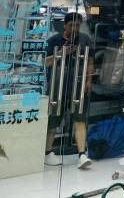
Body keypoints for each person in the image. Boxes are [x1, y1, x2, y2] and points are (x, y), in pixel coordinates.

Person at [44, 12, 94, 169]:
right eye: (71, 25)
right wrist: (60, 54)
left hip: (77, 86)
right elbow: (45, 62)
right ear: (65, 25)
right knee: (54, 120)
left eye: (77, 25)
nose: (74, 28)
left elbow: (90, 61)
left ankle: (82, 154)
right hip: (57, 86)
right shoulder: (54, 41)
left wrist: (88, 81)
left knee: (80, 119)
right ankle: (47, 152)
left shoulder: (85, 39)